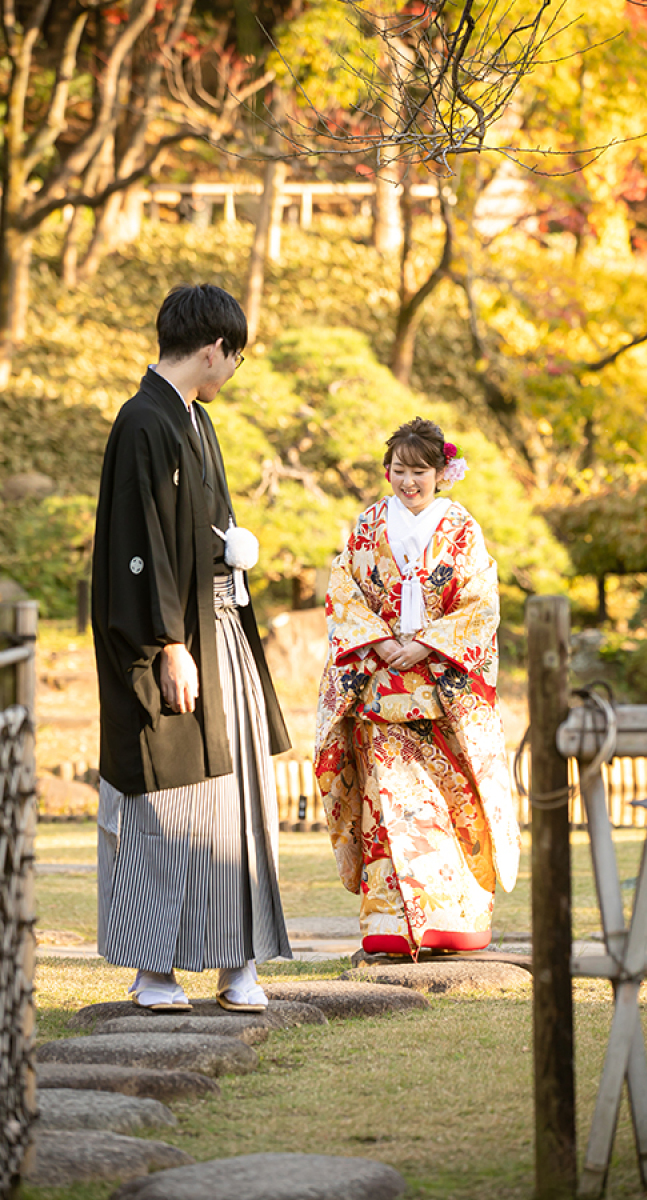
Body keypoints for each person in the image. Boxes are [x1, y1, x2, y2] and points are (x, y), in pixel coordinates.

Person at [92, 283, 292, 1011]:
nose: (234, 367)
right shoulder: (144, 421)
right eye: (234, 354)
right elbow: (138, 545)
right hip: (172, 637)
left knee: (238, 801)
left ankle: (239, 961)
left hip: (219, 626)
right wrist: (169, 643)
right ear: (215, 349)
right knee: (167, 802)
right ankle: (154, 968)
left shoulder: (193, 422)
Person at [314, 417, 520, 956]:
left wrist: (426, 645)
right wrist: (383, 644)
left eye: (420, 471)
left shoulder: (460, 528)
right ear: (387, 472)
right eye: (400, 470)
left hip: (440, 685)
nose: (409, 482)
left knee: (450, 800)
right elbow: (344, 592)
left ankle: (455, 918)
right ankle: (389, 921)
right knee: (386, 805)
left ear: (441, 473)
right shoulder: (366, 526)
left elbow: (480, 601)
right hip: (380, 681)